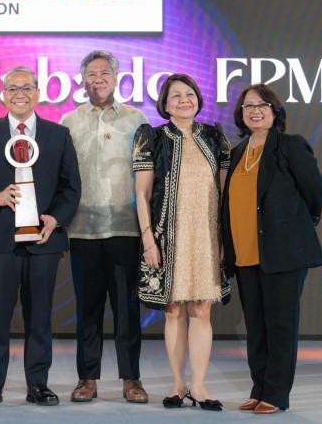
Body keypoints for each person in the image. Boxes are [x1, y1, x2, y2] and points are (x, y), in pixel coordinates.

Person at [0, 66, 81, 407]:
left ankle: (38, 384)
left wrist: (55, 219)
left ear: (38, 93)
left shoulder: (58, 135)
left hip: (44, 241)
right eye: (12, 88)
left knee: (40, 316)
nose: (19, 94)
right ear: (2, 95)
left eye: (26, 87)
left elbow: (72, 187)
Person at [221, 84, 322, 414]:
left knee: (281, 326)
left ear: (275, 111)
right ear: (240, 114)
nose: (255, 110)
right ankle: (259, 388)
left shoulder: (290, 146)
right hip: (245, 254)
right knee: (256, 327)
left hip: (283, 253)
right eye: (248, 106)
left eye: (262, 105)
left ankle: (276, 395)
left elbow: (315, 191)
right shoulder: (238, 153)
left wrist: (294, 226)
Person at [132, 73, 230, 411]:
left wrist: (224, 241)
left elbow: (226, 193)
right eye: (176, 95)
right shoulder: (152, 138)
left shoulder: (216, 138)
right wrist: (148, 241)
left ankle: (200, 387)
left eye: (189, 94)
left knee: (201, 310)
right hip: (164, 237)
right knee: (173, 311)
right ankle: (177, 385)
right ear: (165, 102)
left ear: (198, 99)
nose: (184, 100)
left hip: (206, 236)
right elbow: (142, 195)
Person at [60, 50, 149, 404]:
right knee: (88, 309)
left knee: (128, 309)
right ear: (83, 80)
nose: (98, 80)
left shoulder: (136, 119)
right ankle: (87, 378)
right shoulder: (68, 121)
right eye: (91, 74)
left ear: (116, 78)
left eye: (104, 73)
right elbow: (62, 177)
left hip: (126, 229)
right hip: (82, 229)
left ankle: (132, 379)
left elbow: (147, 175)